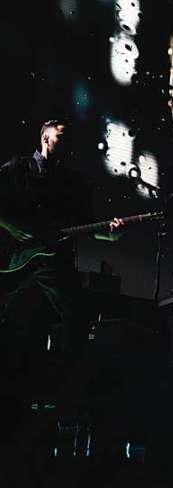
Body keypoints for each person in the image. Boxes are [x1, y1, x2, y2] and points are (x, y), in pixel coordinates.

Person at [0, 119, 123, 354]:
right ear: (45, 138)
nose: (68, 143)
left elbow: (85, 224)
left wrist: (110, 236)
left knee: (75, 316)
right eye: (61, 136)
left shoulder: (71, 183)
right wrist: (10, 226)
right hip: (13, 260)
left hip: (54, 261)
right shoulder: (17, 168)